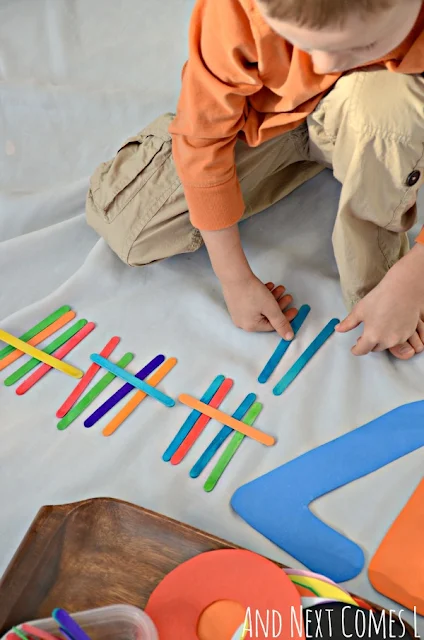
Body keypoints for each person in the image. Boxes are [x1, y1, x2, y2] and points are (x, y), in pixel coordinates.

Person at [86, 0, 424, 360]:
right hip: (266, 121)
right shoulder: (233, 9)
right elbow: (205, 140)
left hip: (378, 115)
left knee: (386, 117)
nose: (322, 66)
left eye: (362, 46)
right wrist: (233, 277)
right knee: (130, 228)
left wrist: (410, 280)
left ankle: (380, 287)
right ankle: (348, 154)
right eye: (301, 45)